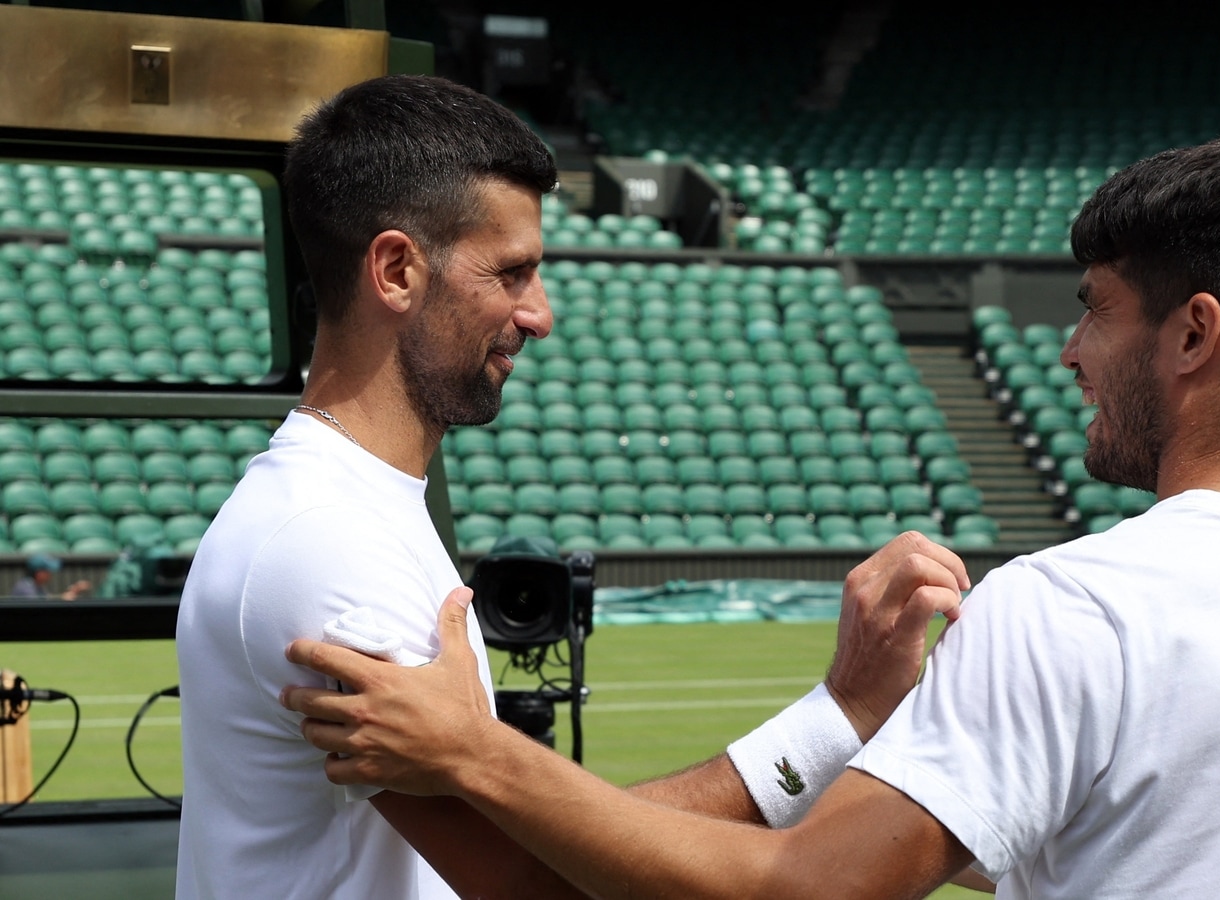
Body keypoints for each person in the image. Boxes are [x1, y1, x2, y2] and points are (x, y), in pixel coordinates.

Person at [282, 133, 1220, 898]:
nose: (1067, 349)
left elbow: (806, 891)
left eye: (1094, 309)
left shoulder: (1075, 606)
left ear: (1192, 334)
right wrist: (868, 726)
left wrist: (476, 754)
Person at [175, 73, 967, 900]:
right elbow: (551, 882)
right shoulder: (330, 542)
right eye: (511, 273)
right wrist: (834, 720)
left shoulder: (339, 505)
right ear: (397, 270)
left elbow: (563, 841)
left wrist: (835, 718)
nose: (539, 313)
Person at [9, 552, 91, 600]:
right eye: (47, 571)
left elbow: (48, 598)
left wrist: (74, 590)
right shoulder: (25, 588)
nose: (50, 574)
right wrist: (63, 599)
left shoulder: (36, 586)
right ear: (39, 573)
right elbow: (39, 606)